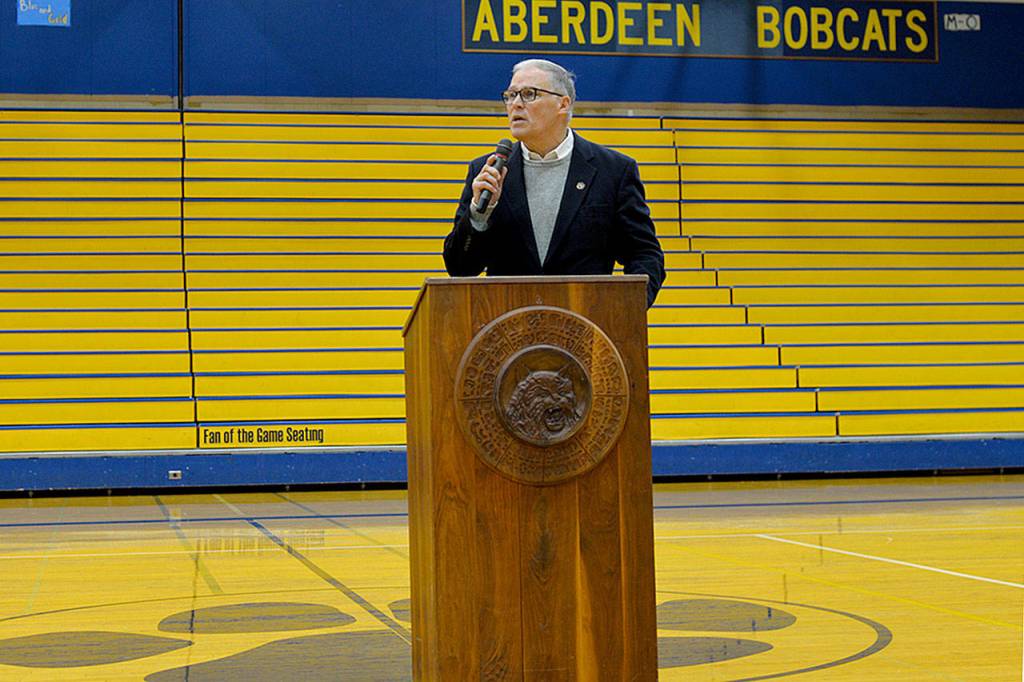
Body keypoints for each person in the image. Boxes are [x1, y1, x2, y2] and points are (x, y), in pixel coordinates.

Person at [443, 59, 666, 308]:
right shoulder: (487, 172)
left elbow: (644, 254)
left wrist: (627, 311)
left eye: (529, 94)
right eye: (511, 95)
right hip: (508, 331)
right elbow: (460, 269)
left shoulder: (613, 171)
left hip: (587, 329)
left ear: (563, 103)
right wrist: (479, 214)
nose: (515, 104)